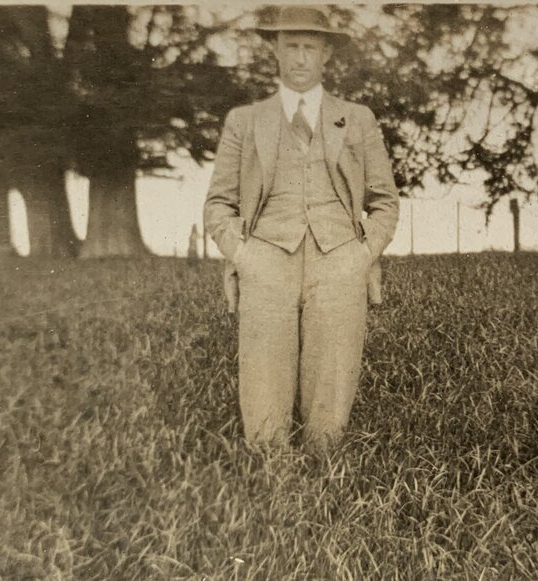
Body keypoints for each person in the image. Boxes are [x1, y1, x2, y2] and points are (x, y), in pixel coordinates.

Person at [204, 5, 399, 452]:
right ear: (275, 49)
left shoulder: (357, 118)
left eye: (309, 47)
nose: (299, 58)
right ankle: (272, 476)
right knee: (264, 371)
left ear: (326, 53)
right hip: (267, 256)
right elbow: (218, 203)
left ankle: (324, 470)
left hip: (339, 257)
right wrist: (243, 255)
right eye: (290, 46)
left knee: (332, 369)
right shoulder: (246, 120)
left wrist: (362, 254)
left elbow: (385, 201)